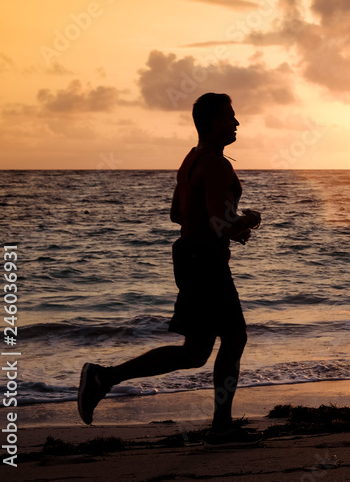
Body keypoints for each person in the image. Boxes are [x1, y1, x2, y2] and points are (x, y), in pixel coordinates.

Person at [77, 93, 262, 447]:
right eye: (230, 117)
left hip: (191, 258)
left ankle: (104, 378)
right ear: (212, 122)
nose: (237, 123)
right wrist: (249, 221)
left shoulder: (192, 160)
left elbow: (178, 215)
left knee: (195, 352)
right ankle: (220, 427)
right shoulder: (216, 164)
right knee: (233, 338)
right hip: (206, 265)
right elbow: (222, 225)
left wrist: (222, 227)